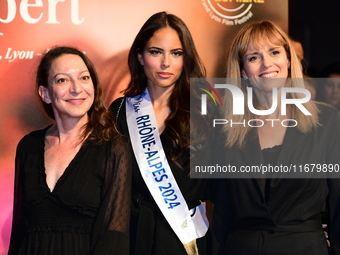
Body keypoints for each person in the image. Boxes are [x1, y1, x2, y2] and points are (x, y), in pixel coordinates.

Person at [213, 20, 340, 255]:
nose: (266, 63)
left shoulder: (327, 120)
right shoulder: (226, 129)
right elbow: (223, 211)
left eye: (274, 52)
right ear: (242, 71)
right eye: (253, 57)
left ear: (289, 60)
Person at [8, 46, 130, 255]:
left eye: (84, 78)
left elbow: (114, 235)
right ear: (45, 93)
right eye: (62, 80)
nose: (76, 88)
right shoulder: (28, 146)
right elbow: (19, 228)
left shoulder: (111, 148)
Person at [109, 12, 214, 255]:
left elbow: (221, 191)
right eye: (156, 52)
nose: (166, 63)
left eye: (176, 53)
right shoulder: (120, 111)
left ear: (186, 59)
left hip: (184, 239)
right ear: (140, 56)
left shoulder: (205, 111)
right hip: (132, 237)